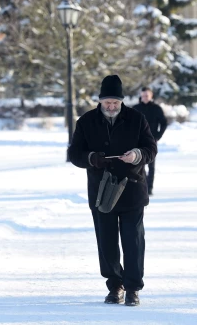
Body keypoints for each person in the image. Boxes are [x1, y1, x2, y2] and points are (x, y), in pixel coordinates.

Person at [68, 75, 157, 307]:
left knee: (133, 241)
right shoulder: (86, 121)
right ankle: (115, 285)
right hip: (101, 193)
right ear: (100, 101)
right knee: (106, 243)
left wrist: (137, 155)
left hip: (132, 190)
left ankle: (133, 288)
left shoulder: (137, 119)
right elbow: (74, 154)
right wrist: (91, 158)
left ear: (121, 101)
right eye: (107, 102)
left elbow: (151, 149)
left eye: (115, 102)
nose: (111, 106)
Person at [132, 87, 167, 195]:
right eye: (143, 95)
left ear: (151, 96)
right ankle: (141, 187)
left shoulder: (157, 108)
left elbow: (164, 123)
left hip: (151, 141)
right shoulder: (135, 108)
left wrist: (158, 136)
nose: (145, 97)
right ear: (140, 96)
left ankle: (149, 188)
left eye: (147, 95)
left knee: (151, 165)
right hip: (138, 141)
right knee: (139, 165)